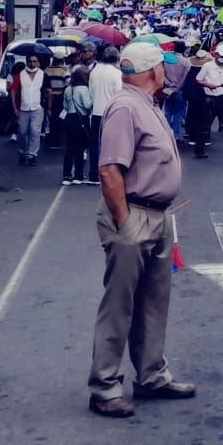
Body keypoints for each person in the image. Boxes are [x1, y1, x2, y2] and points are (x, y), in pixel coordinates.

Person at [88, 42, 196, 418]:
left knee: (153, 302)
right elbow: (109, 169)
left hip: (158, 214)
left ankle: (151, 376)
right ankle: (104, 386)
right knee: (120, 305)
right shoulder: (125, 106)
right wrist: (125, 222)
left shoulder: (146, 103)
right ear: (154, 71)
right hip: (134, 215)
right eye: (163, 67)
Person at [87, 46, 123, 185]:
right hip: (111, 113)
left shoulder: (94, 72)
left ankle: (93, 174)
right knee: (111, 146)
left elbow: (90, 92)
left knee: (94, 144)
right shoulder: (117, 74)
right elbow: (119, 95)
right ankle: (109, 174)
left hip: (96, 112)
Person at [198, 45, 223, 161]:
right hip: (210, 98)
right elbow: (198, 79)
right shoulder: (207, 66)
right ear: (216, 55)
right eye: (222, 56)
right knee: (205, 125)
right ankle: (200, 149)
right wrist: (208, 85)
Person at [63, 50, 95, 186]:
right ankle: (78, 175)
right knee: (80, 148)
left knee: (69, 147)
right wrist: (94, 97)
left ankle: (66, 175)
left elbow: (64, 104)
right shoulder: (83, 89)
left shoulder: (68, 88)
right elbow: (87, 105)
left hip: (69, 118)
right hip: (81, 119)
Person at [14, 54, 46, 165]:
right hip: (23, 108)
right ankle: (22, 153)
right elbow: (13, 91)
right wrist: (15, 108)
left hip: (37, 108)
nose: (32, 63)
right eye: (30, 61)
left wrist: (49, 107)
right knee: (22, 132)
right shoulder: (20, 75)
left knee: (35, 132)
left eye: (34, 61)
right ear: (27, 62)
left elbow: (49, 91)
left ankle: (32, 155)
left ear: (38, 62)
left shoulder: (43, 75)